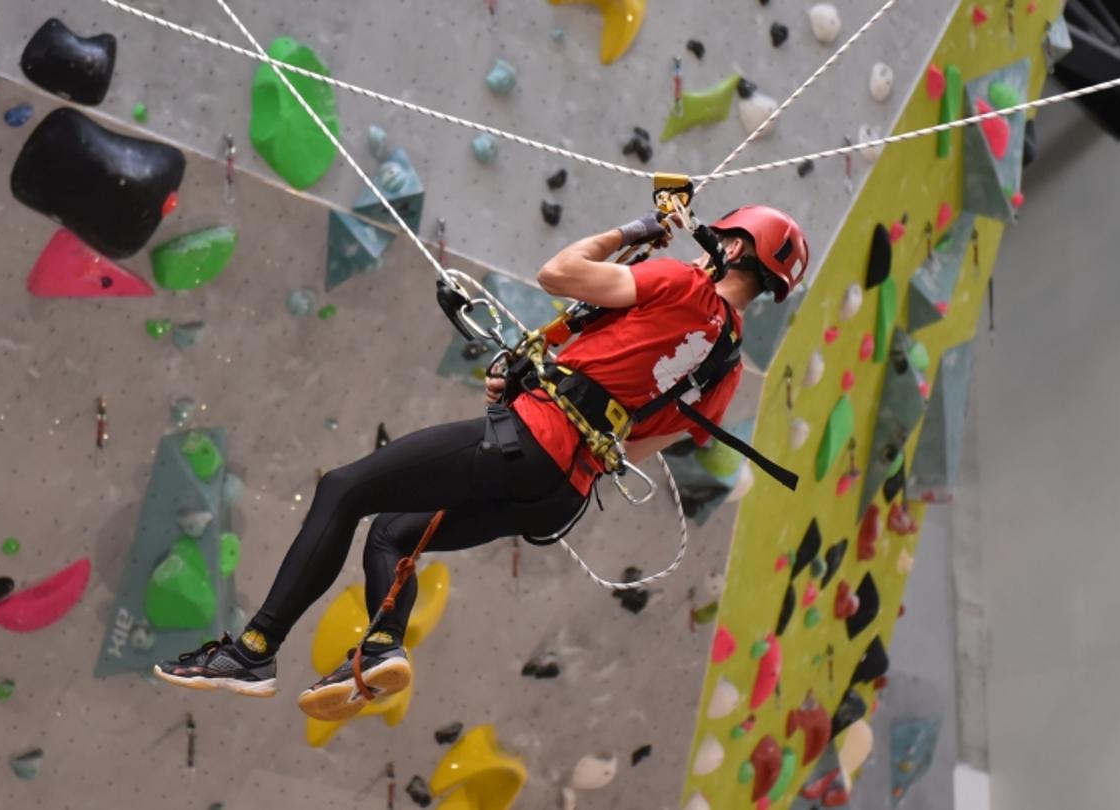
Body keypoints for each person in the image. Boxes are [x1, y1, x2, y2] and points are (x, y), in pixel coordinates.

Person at [153, 205, 809, 720]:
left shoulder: (679, 284)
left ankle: (254, 651)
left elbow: (558, 274)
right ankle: (382, 646)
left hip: (530, 441)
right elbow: (631, 448)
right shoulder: (726, 372)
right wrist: (536, 392)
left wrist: (627, 231)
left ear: (737, 248)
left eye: (720, 238)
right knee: (393, 532)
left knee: (343, 490)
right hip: (561, 491)